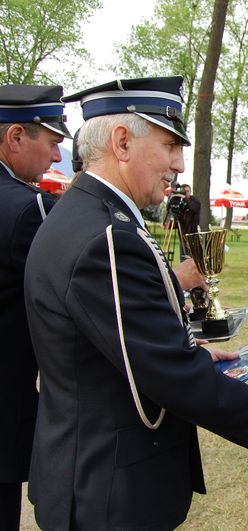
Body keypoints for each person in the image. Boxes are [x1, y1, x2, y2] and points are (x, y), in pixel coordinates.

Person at [23, 76, 248, 529]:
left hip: (91, 472)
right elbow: (164, 372)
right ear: (122, 142)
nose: (179, 164)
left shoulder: (89, 215)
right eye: (169, 146)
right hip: (109, 489)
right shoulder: (107, 236)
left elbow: (118, 344)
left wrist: (189, 351)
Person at [0, 84, 71, 531]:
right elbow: (68, 293)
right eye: (51, 142)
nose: (56, 158)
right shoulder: (27, 209)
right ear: (15, 138)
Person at [177, 183, 201, 259]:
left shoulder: (195, 202)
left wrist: (185, 199)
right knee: (183, 257)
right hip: (183, 234)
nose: (185, 193)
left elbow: (194, 208)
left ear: (190, 192)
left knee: (192, 257)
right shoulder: (181, 203)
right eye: (183, 191)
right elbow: (179, 218)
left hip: (192, 234)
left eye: (187, 191)